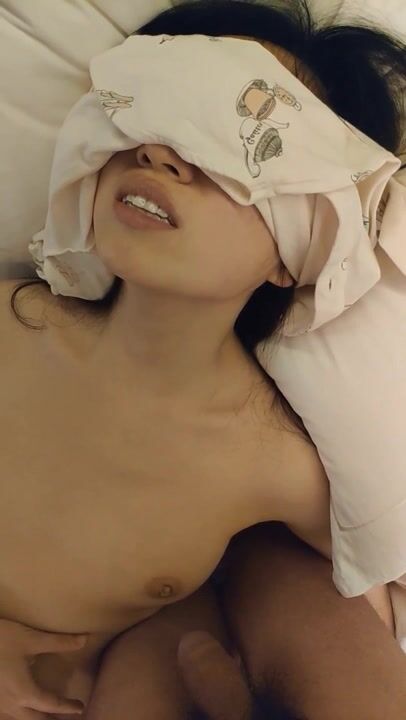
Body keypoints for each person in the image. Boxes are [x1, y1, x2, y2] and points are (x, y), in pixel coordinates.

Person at [1, 0, 405, 718]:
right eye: (152, 112)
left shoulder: (276, 464)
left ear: (305, 245)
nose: (160, 153)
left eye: (230, 143)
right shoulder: (8, 331)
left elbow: (366, 598)